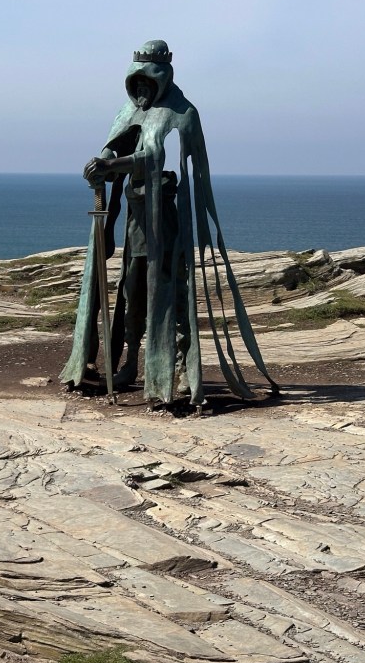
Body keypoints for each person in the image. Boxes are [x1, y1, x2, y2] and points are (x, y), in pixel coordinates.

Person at [60, 40, 277, 406]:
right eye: (136, 85)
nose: (141, 92)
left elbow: (153, 156)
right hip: (136, 217)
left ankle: (175, 371)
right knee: (132, 289)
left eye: (147, 85)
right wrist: (102, 161)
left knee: (170, 292)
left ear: (160, 80)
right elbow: (118, 144)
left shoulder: (181, 112)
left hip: (167, 221)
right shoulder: (128, 110)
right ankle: (130, 362)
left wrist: (114, 166)